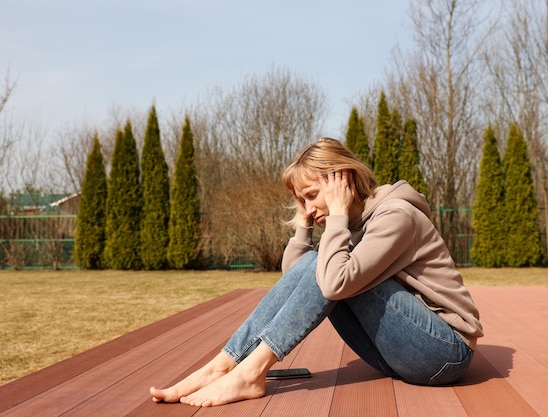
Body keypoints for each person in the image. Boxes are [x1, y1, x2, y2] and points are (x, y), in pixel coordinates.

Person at [150, 137, 483, 407]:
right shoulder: (349, 225)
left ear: (343, 180)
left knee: (331, 271)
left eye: (311, 197)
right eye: (301, 201)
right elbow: (297, 283)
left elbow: (332, 283)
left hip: (444, 352)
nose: (308, 208)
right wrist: (304, 226)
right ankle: (223, 365)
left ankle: (246, 371)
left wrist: (335, 216)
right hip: (397, 355)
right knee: (321, 266)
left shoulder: (396, 216)